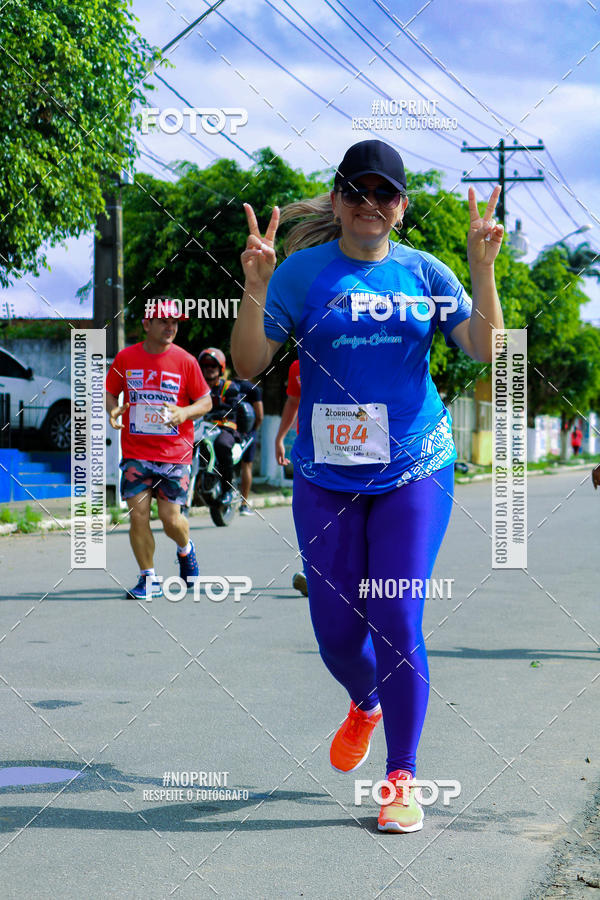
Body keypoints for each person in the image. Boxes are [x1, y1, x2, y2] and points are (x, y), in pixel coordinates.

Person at [231, 139, 505, 833]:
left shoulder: (423, 272)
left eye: (384, 193)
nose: (369, 204)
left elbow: (486, 354)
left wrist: (481, 273)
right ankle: (365, 703)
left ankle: (401, 777)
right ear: (338, 199)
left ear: (401, 208)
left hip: (414, 465)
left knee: (395, 617)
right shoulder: (300, 274)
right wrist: (256, 287)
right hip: (326, 476)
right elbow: (249, 362)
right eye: (356, 191)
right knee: (333, 631)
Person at [106, 301, 212, 599]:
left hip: (175, 454)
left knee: (170, 520)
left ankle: (185, 548)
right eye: (163, 321)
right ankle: (148, 578)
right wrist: (112, 411)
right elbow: (111, 392)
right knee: (138, 515)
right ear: (146, 324)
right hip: (137, 452)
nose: (171, 327)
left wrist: (184, 412)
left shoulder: (186, 360)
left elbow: (206, 402)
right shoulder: (126, 358)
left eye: (175, 322)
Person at [274, 359, 307, 596]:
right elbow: (293, 401)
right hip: (310, 449)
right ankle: (313, 570)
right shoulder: (297, 366)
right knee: (308, 511)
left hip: (354, 450)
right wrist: (279, 438)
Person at [197, 347, 244, 505]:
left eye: (213, 366)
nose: (209, 369)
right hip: (201, 427)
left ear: (221, 368)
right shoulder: (196, 387)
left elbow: (232, 407)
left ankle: (228, 490)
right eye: (205, 366)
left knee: (222, 445)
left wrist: (215, 411)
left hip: (224, 428)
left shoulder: (229, 387)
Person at [235, 377, 264, 515]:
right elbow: (260, 416)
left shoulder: (228, 385)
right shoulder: (254, 388)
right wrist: (253, 431)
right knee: (246, 466)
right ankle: (244, 504)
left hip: (230, 429)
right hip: (247, 432)